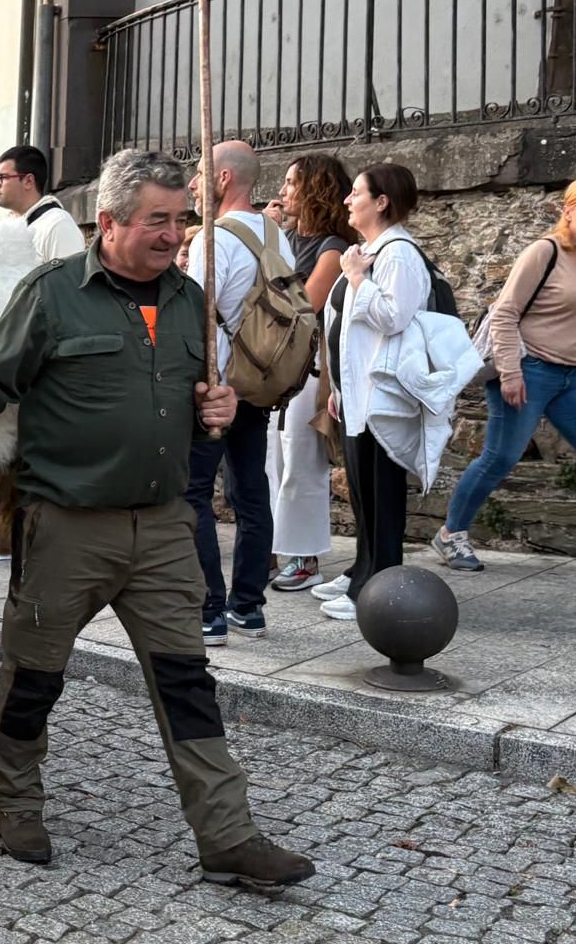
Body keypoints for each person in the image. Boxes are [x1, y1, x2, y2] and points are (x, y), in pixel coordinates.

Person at [0, 147, 314, 888]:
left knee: (187, 680)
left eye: (180, 219)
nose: (172, 234)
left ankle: (227, 834)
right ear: (109, 221)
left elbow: (199, 409)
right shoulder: (53, 292)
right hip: (66, 525)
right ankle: (16, 801)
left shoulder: (193, 299)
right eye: (155, 221)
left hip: (163, 525)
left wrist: (216, 411)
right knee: (35, 676)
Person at [434, 176, 576, 578]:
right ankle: (450, 533)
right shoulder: (544, 252)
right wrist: (511, 373)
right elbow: (505, 313)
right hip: (529, 369)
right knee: (500, 458)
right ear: (567, 211)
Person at [184, 141, 296, 644]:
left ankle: (209, 610)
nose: (191, 183)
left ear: (224, 179)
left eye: (199, 172)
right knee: (252, 492)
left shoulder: (216, 238)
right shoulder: (276, 233)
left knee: (193, 495)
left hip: (216, 384)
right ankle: (248, 605)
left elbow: (195, 314)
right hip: (260, 379)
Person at [320, 164, 430, 622]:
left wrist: (357, 278)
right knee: (364, 491)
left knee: (382, 492)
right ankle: (362, 570)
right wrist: (339, 387)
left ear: (381, 201)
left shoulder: (398, 255)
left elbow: (394, 317)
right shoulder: (369, 251)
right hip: (358, 393)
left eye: (356, 193)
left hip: (382, 398)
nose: (347, 200)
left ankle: (380, 584)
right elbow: (345, 327)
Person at [264, 155, 354, 593]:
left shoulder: (333, 247)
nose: (282, 191)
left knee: (300, 457)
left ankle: (304, 556)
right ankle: (271, 547)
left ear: (315, 189)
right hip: (273, 363)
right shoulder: (282, 239)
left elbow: (305, 305)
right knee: (270, 458)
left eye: (291, 183)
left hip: (310, 363)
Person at [0, 145, 85, 262]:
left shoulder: (58, 226)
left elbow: (70, 279)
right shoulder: (6, 227)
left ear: (28, 181)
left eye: (3, 177)